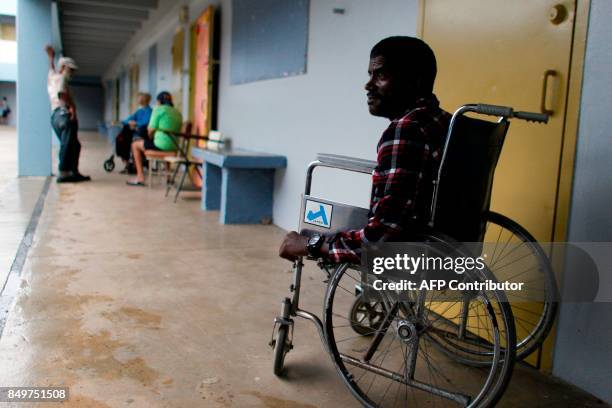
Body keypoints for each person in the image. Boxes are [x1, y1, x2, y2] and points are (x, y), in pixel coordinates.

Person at [279, 36, 450, 263]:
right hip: (449, 243)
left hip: (411, 254)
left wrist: (313, 245)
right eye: (370, 75)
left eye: (380, 75)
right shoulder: (443, 120)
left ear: (414, 81)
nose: (368, 85)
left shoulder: (407, 130)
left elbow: (379, 242)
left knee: (309, 230)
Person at [45, 45, 90, 183]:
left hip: (55, 116)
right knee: (69, 144)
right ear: (64, 67)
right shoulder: (62, 78)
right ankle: (65, 172)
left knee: (73, 144)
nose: (72, 72)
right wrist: (73, 108)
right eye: (70, 69)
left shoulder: (53, 76)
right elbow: (62, 94)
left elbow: (51, 68)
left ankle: (72, 172)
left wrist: (51, 58)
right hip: (64, 114)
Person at [127, 91, 182, 186]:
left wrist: (150, 137)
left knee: (135, 145)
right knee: (164, 142)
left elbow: (150, 129)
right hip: (174, 145)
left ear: (159, 102)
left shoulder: (158, 110)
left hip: (161, 146)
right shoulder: (177, 112)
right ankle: (168, 178)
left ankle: (140, 177)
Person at [116, 92, 152, 173]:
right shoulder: (139, 111)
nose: (137, 99)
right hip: (134, 131)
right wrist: (128, 122)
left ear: (143, 99)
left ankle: (135, 166)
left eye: (139, 97)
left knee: (127, 139)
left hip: (142, 133)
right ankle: (127, 163)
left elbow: (145, 123)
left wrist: (135, 124)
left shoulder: (149, 111)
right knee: (120, 140)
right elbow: (128, 119)